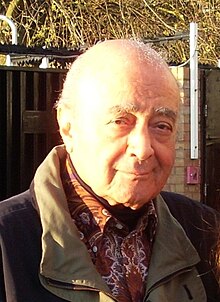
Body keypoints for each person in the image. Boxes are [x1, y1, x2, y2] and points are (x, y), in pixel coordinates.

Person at [0, 39, 219, 302]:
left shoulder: (206, 233)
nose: (143, 148)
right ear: (68, 128)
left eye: (161, 125)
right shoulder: (8, 242)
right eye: (120, 121)